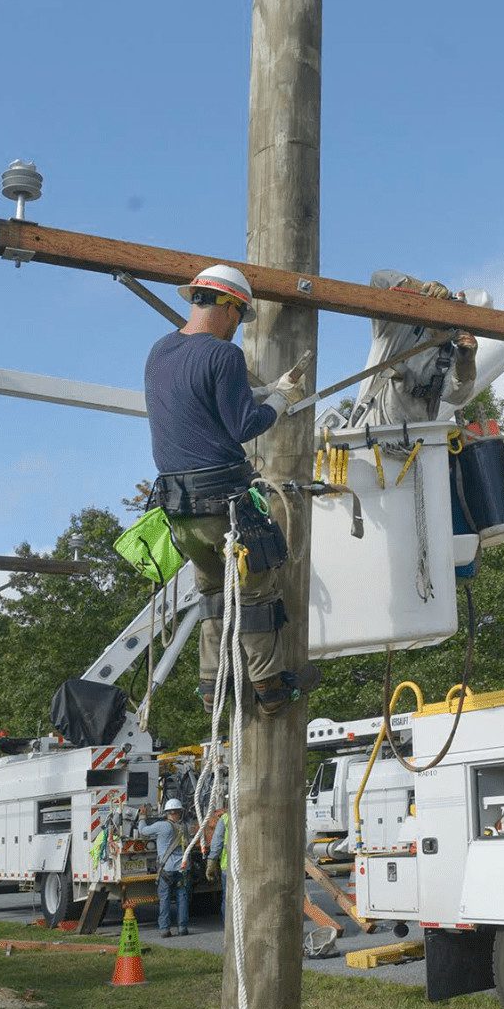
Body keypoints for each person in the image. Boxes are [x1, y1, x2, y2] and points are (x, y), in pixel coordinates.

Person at [144, 264, 306, 717]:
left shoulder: (160, 352)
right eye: (239, 316)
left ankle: (213, 688)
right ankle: (271, 689)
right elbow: (243, 425)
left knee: (213, 595)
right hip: (225, 508)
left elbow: (205, 404)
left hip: (179, 512)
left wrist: (270, 388)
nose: (237, 327)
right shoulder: (224, 356)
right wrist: (280, 401)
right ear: (230, 306)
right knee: (256, 593)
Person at [348, 270, 478, 427]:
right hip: (368, 433)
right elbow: (379, 280)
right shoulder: (396, 329)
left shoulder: (449, 357)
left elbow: (458, 397)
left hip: (417, 443)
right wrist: (424, 289)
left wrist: (467, 360)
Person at [137, 799, 195, 937]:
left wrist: (142, 817)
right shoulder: (185, 827)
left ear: (167, 812)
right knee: (182, 898)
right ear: (180, 812)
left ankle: (164, 929)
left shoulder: (162, 826)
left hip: (166, 869)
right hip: (183, 868)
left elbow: (143, 831)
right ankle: (182, 928)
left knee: (165, 899)